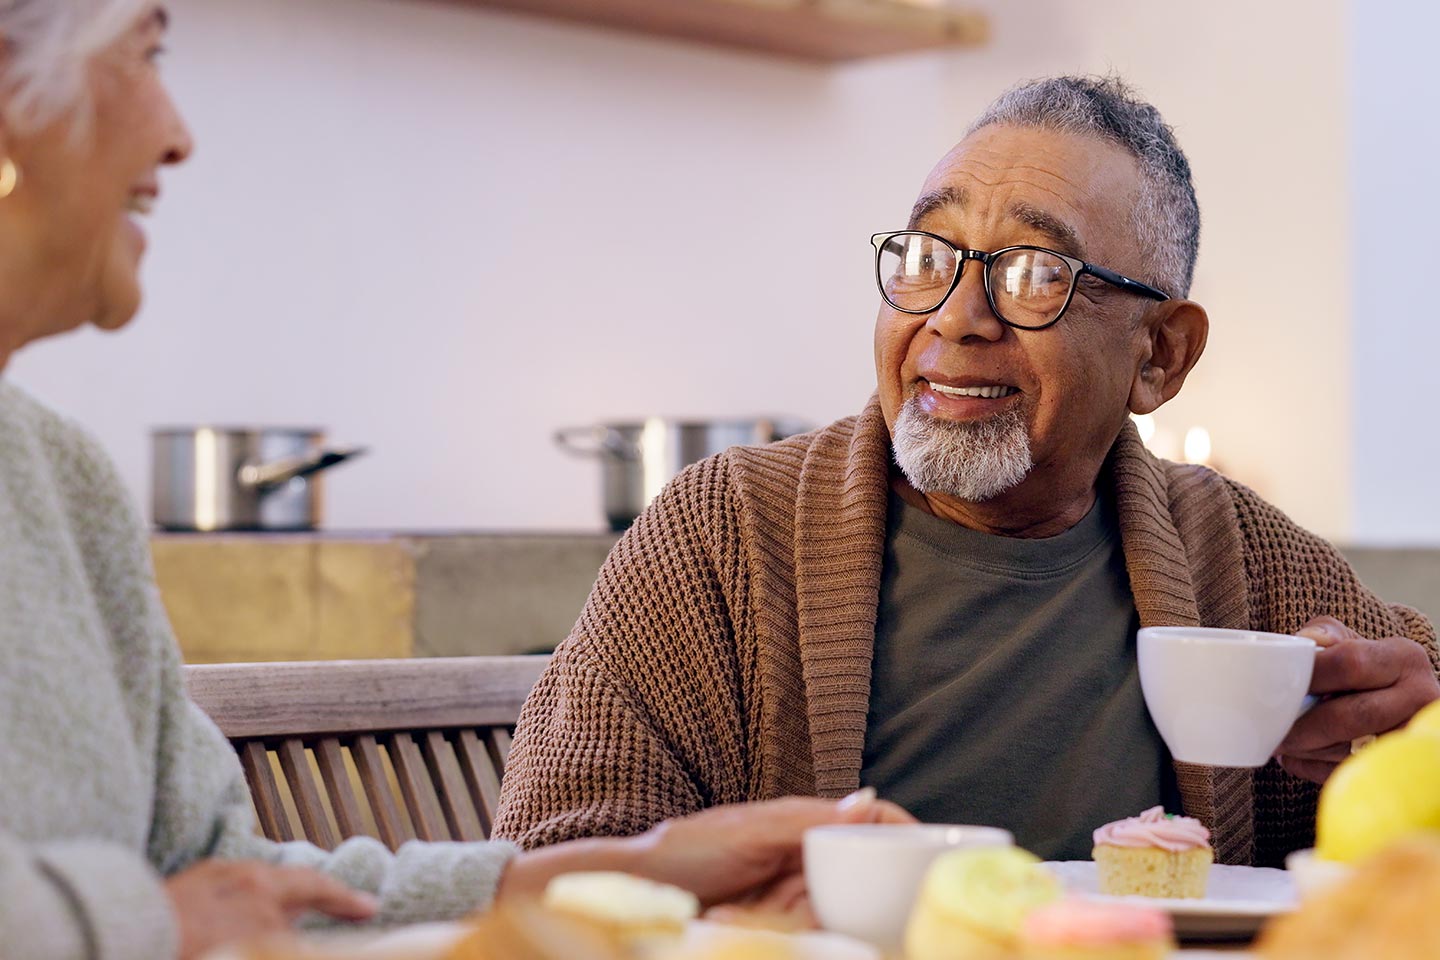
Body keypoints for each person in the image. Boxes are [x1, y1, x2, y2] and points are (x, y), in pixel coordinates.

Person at [0, 4, 912, 959]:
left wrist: (636, 871)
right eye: (146, 54)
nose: (179, 134)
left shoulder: (63, 480)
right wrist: (151, 923)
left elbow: (238, 885)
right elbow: (199, 909)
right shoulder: (725, 526)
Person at [493, 75, 1440, 868]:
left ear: (1159, 355)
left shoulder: (1241, 557)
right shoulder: (724, 535)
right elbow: (554, 870)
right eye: (927, 256)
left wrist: (1414, 739)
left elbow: (1409, 710)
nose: (954, 316)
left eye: (1034, 273)